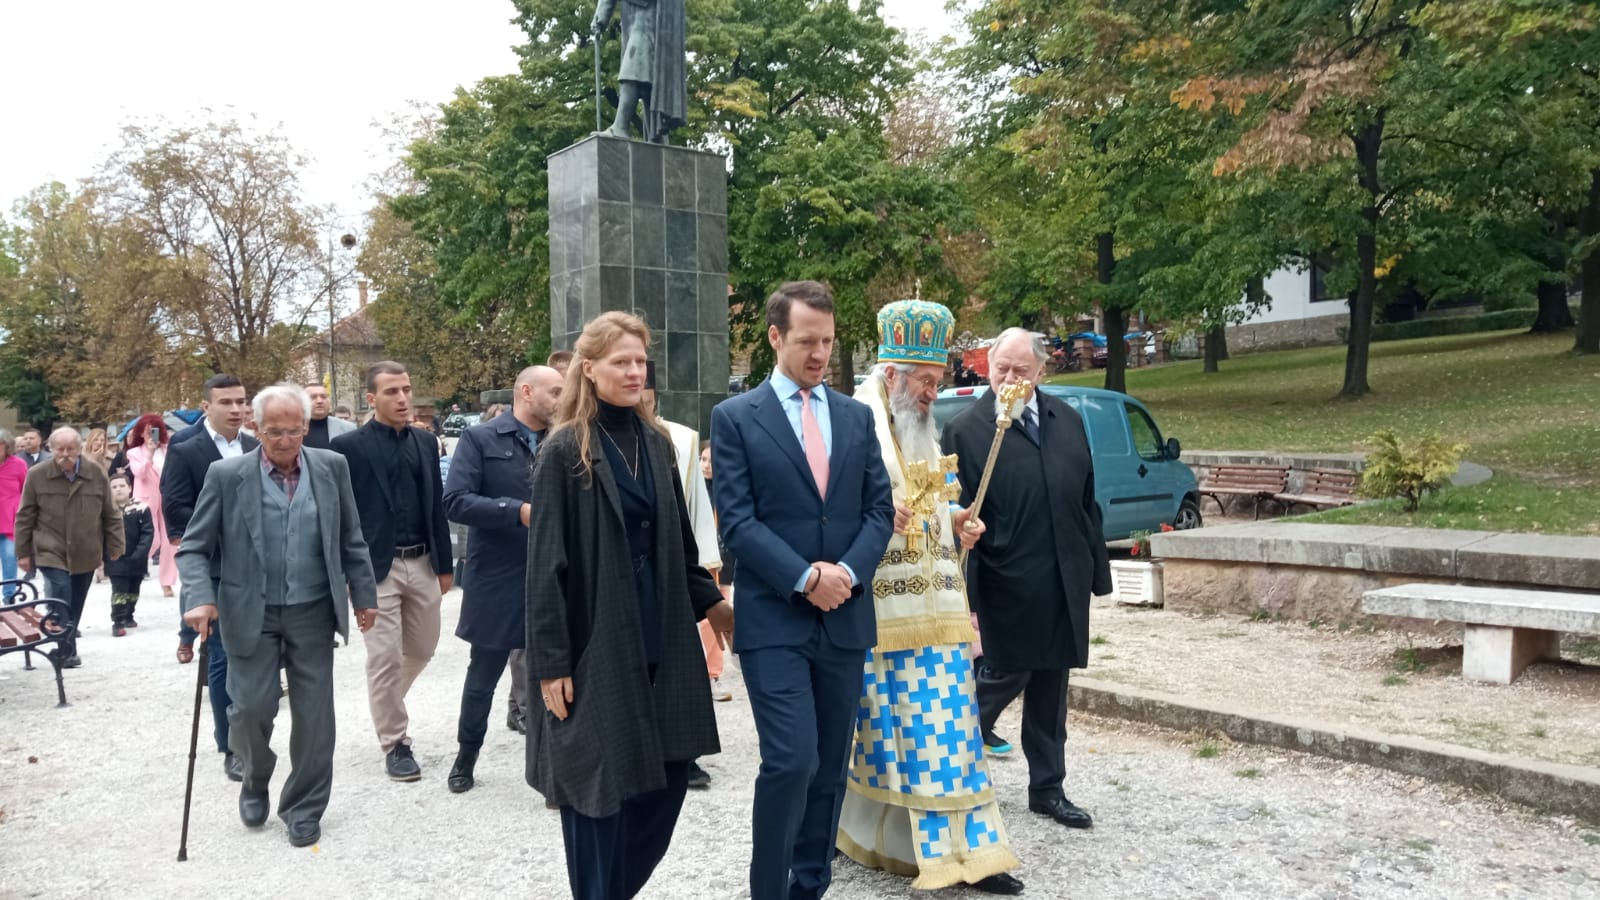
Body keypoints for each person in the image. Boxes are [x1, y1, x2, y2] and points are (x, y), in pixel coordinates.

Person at [525, 311, 732, 900]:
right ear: (589, 369)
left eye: (640, 361)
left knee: (667, 785)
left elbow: (682, 549)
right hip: (597, 641)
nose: (634, 371)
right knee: (597, 792)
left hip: (661, 636)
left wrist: (715, 606)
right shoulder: (564, 450)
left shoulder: (658, 442)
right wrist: (551, 664)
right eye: (621, 361)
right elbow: (545, 567)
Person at [710, 280, 894, 900]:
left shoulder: (856, 416)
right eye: (807, 341)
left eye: (828, 342)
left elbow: (879, 510)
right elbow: (738, 522)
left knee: (830, 769)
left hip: (845, 617)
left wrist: (845, 574)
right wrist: (805, 577)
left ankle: (809, 885)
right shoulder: (736, 418)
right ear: (775, 336)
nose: (819, 354)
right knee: (792, 760)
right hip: (774, 620)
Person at [835, 300, 1024, 894]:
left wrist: (957, 518)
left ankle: (969, 854)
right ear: (891, 374)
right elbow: (835, 512)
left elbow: (931, 503)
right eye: (924, 381)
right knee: (884, 738)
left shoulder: (920, 429)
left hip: (937, 615)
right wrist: (876, 516)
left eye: (937, 382)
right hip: (880, 612)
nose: (931, 393)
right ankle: (875, 838)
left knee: (945, 735)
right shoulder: (855, 425)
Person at [177, 383, 379, 848]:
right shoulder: (226, 475)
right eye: (273, 432)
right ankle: (254, 775)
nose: (284, 441)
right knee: (250, 708)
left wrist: (364, 595)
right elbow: (193, 548)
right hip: (249, 610)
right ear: (256, 428)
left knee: (315, 717)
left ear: (306, 427)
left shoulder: (331, 467)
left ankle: (303, 807)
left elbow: (351, 536)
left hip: (313, 609)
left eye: (293, 431)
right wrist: (199, 597)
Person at [940, 328, 1112, 832]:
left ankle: (1048, 788)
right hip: (1005, 577)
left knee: (1051, 684)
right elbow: (953, 511)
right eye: (1001, 369)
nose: (1010, 378)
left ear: (1041, 371)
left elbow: (1086, 499)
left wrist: (1096, 571)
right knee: (1005, 672)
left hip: (1063, 574)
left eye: (1021, 370)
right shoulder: (966, 430)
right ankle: (947, 761)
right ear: (988, 368)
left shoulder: (1067, 419)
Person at [442, 364, 563, 793]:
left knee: (559, 671)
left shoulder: (566, 439)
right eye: (555, 391)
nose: (562, 399)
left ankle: (556, 764)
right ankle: (466, 756)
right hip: (498, 576)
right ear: (526, 392)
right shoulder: (480, 439)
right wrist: (517, 512)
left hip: (555, 575)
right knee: (483, 675)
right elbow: (456, 501)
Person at [332, 360, 453, 782]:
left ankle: (383, 701)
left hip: (422, 561)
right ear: (371, 398)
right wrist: (349, 575)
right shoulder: (348, 448)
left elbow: (436, 504)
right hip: (374, 568)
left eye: (406, 389)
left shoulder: (426, 442)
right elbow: (341, 516)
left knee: (422, 649)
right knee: (383, 657)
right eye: (391, 392)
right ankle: (395, 742)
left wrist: (445, 564)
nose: (403, 398)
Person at [162, 373, 259, 781]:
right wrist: (225, 526)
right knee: (221, 657)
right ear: (207, 406)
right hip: (215, 566)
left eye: (241, 401)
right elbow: (176, 507)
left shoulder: (255, 446)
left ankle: (253, 731)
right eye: (226, 402)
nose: (236, 409)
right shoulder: (186, 449)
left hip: (256, 568)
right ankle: (230, 745)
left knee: (256, 655)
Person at [637, 362, 723, 790]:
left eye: (648, 401)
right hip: (626, 575)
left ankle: (684, 755)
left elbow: (695, 508)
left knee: (680, 667)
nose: (642, 408)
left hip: (674, 568)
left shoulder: (678, 439)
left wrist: (705, 574)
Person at [14, 427, 125, 667]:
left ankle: (65, 646)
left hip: (85, 549)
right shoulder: (37, 475)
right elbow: (25, 515)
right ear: (51, 449)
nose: (65, 454)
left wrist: (116, 545)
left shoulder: (95, 473)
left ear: (79, 448)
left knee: (76, 600)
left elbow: (111, 512)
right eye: (60, 449)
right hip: (49, 547)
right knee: (61, 589)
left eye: (71, 449)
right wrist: (23, 552)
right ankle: (66, 650)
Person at [124, 414, 178, 598]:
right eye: (146, 431)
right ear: (140, 433)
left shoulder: (169, 449)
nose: (150, 435)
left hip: (168, 497)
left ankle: (167, 582)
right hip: (146, 499)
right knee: (151, 539)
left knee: (170, 541)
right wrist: (149, 453)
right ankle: (134, 568)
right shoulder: (134, 452)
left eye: (153, 431)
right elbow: (140, 473)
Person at [104, 472, 152, 636]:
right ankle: (117, 621)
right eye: (114, 487)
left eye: (122, 486)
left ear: (130, 488)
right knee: (119, 590)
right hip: (115, 558)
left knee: (133, 589)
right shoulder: (106, 510)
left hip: (137, 558)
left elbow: (147, 532)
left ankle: (129, 614)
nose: (118, 489)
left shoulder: (141, 508)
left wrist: (140, 552)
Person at [1, 430, 30, 598]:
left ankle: (9, 597)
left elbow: (25, 490)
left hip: (10, 520)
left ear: (7, 446)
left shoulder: (18, 464)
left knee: (9, 558)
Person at [303, 382, 357, 450]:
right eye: (313, 397)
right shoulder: (293, 428)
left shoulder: (348, 428)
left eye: (323, 397)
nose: (319, 401)